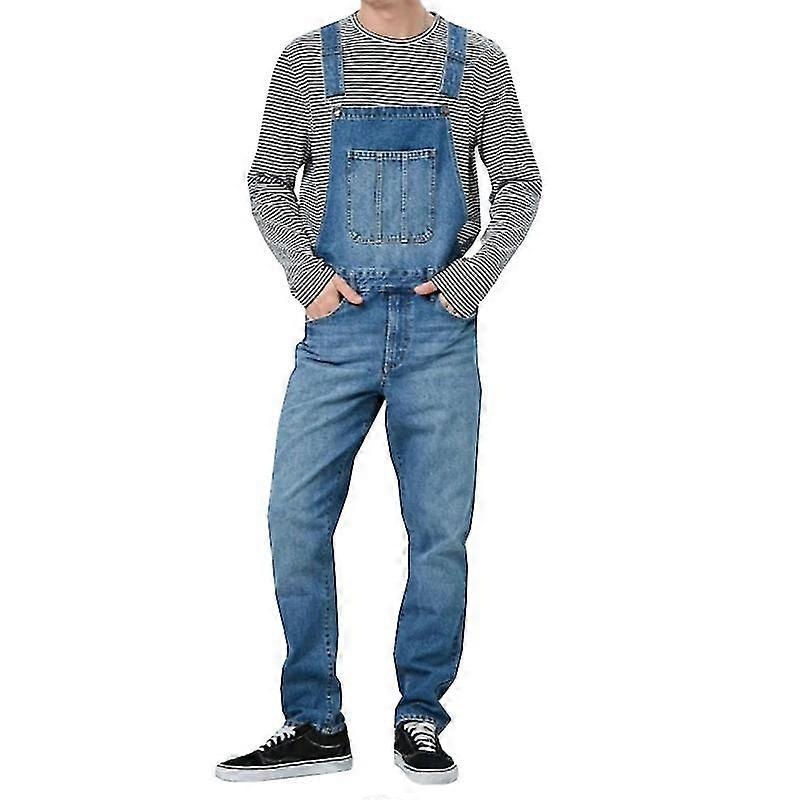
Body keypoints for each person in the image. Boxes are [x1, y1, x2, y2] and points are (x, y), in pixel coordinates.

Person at [216, 0, 541, 785]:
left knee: (438, 533)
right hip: (339, 332)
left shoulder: (478, 59)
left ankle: (420, 716)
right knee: (294, 517)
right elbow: (268, 180)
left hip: (439, 333)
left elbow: (520, 183)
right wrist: (308, 278)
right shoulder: (306, 59)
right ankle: (314, 720)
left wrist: (468, 284)